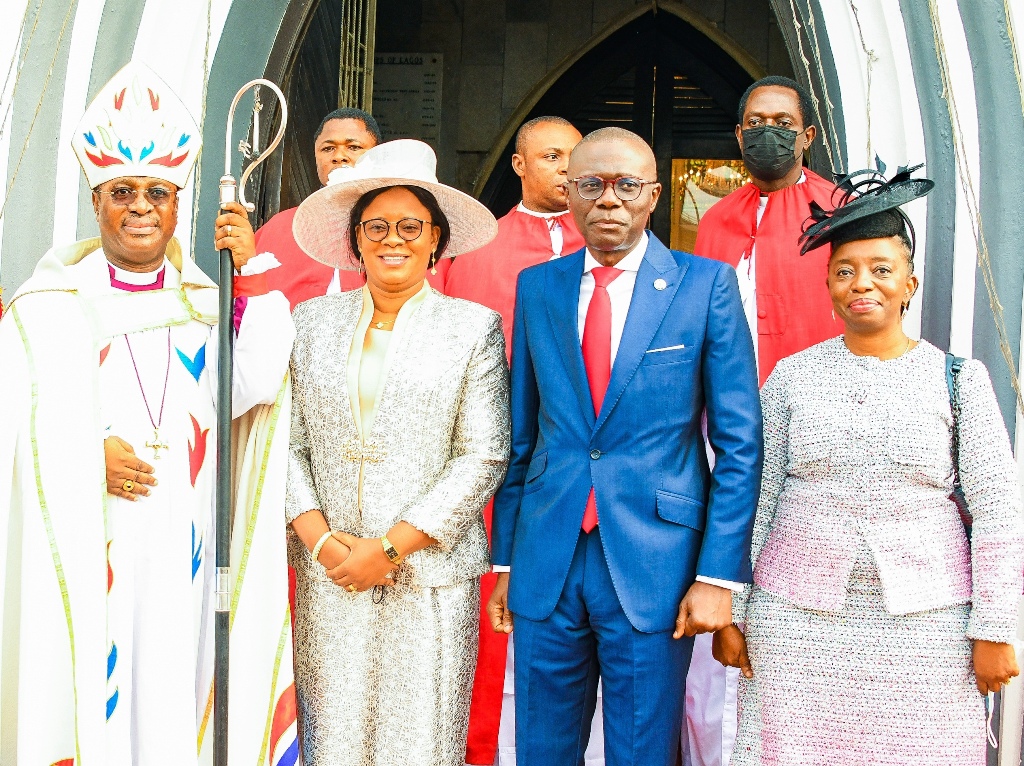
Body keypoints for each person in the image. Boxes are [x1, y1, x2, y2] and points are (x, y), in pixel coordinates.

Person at [0, 62, 297, 765]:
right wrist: (83, 452)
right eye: (122, 192)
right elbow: (11, 422)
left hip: (182, 543)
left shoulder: (206, 306)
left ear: (177, 204)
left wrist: (249, 271)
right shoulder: (45, 311)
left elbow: (253, 382)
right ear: (97, 201)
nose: (140, 207)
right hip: (84, 538)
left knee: (171, 689)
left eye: (157, 193)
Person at [715, 166, 1024, 765]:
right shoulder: (792, 378)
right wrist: (736, 607)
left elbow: (997, 513)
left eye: (882, 270)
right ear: (827, 283)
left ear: (909, 283)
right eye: (846, 271)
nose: (864, 284)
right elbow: (756, 497)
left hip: (927, 623)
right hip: (795, 620)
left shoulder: (959, 380)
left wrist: (995, 626)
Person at [488, 127, 763, 766]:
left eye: (626, 185)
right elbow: (522, 436)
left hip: (655, 564)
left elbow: (739, 445)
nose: (608, 199)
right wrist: (505, 561)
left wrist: (718, 575)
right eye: (591, 184)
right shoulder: (540, 287)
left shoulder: (705, 286)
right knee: (540, 751)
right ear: (570, 192)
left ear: (653, 196)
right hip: (547, 559)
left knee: (642, 751)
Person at [285, 139, 510, 765]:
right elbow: (285, 442)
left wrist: (389, 548)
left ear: (435, 239)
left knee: (422, 740)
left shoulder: (473, 326)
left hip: (430, 574)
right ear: (355, 240)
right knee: (332, 739)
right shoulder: (308, 322)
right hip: (330, 573)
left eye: (411, 226)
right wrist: (327, 546)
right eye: (376, 226)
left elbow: (485, 454)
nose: (393, 239)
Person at [686, 75, 841, 766]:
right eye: (754, 122)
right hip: (722, 433)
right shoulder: (717, 221)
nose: (767, 131)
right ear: (739, 135)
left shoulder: (838, 211)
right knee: (722, 582)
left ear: (807, 135)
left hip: (813, 431)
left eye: (782, 120)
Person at [444, 114, 584, 766]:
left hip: (581, 473)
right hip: (497, 467)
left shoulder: (615, 246)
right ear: (522, 165)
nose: (567, 168)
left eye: (575, 157)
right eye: (551, 156)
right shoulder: (474, 250)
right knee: (491, 622)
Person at [239, 108, 449, 310]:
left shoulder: (412, 231)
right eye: (328, 148)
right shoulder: (281, 227)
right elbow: (250, 313)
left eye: (353, 147)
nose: (339, 156)